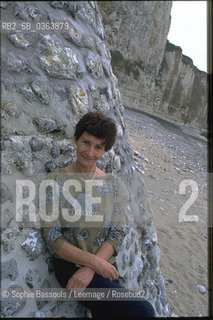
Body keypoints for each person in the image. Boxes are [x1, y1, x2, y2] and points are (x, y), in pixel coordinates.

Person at [41, 111, 155, 318]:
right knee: (143, 310)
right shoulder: (55, 180)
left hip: (104, 267)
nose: (90, 152)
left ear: (105, 150)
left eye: (98, 147)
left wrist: (94, 267)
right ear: (76, 139)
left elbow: (117, 233)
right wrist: (94, 264)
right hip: (69, 266)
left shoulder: (113, 185)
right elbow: (52, 237)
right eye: (86, 142)